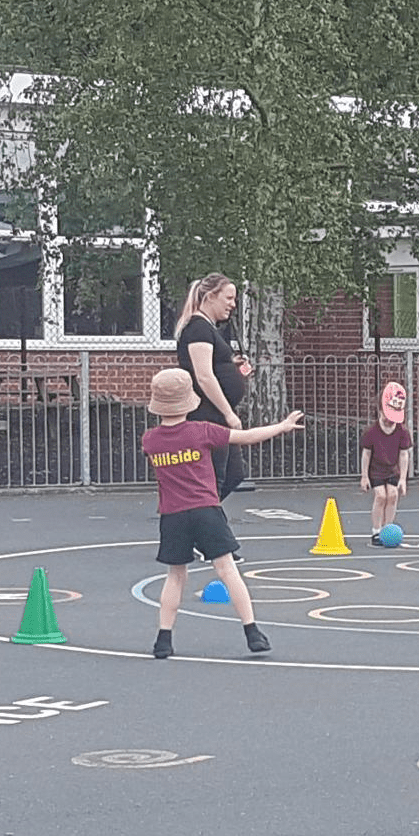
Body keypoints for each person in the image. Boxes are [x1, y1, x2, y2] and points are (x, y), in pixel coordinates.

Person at [141, 368, 304, 659]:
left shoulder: (150, 440)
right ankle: (252, 631)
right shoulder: (201, 431)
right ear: (188, 401)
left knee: (175, 575)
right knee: (227, 569)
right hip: (206, 509)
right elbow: (247, 437)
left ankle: (163, 639)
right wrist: (282, 426)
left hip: (173, 514)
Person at [174, 273, 257, 498]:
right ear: (210, 297)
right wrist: (229, 413)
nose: (233, 304)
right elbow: (204, 375)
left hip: (217, 415)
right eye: (228, 298)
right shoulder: (198, 328)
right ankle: (203, 513)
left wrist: (231, 366)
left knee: (233, 473)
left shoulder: (208, 328)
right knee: (215, 476)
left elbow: (212, 366)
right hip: (207, 414)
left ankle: (204, 511)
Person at [360, 381, 412, 545]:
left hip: (392, 470)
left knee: (393, 495)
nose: (391, 421)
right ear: (381, 410)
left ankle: (387, 528)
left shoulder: (402, 432)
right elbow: (366, 454)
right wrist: (364, 476)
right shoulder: (372, 432)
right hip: (376, 470)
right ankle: (376, 530)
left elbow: (404, 455)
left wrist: (403, 479)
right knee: (381, 496)